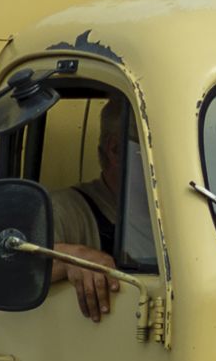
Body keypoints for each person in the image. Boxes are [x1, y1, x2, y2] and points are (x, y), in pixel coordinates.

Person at [48, 98, 152, 321]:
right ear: (115, 150)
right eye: (156, 150)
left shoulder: (186, 215)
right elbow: (7, 265)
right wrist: (71, 257)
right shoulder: (64, 210)